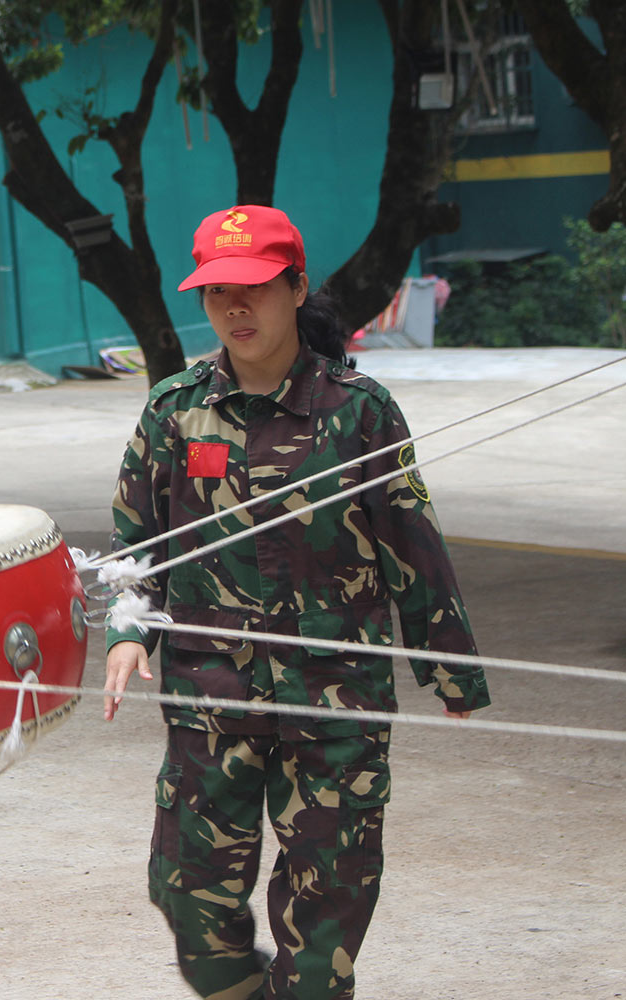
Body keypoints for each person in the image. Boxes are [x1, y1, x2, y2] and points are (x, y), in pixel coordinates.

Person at [102, 205, 490, 1000]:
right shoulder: (176, 410)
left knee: (328, 907)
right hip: (212, 693)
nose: (235, 308)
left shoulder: (359, 410)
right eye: (217, 292)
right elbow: (138, 542)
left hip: (335, 698)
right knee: (186, 888)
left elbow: (411, 542)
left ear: (297, 288)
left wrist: (450, 670)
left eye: (254, 288)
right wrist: (127, 630)